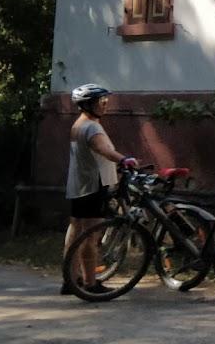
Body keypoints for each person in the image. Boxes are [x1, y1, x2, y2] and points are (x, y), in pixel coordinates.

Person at [61, 83, 138, 295]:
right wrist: (125, 159)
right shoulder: (92, 128)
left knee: (76, 230)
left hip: (80, 184)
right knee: (90, 236)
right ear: (88, 104)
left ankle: (70, 279)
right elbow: (102, 149)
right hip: (94, 186)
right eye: (100, 102)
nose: (105, 105)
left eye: (105, 101)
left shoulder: (79, 124)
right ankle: (90, 283)